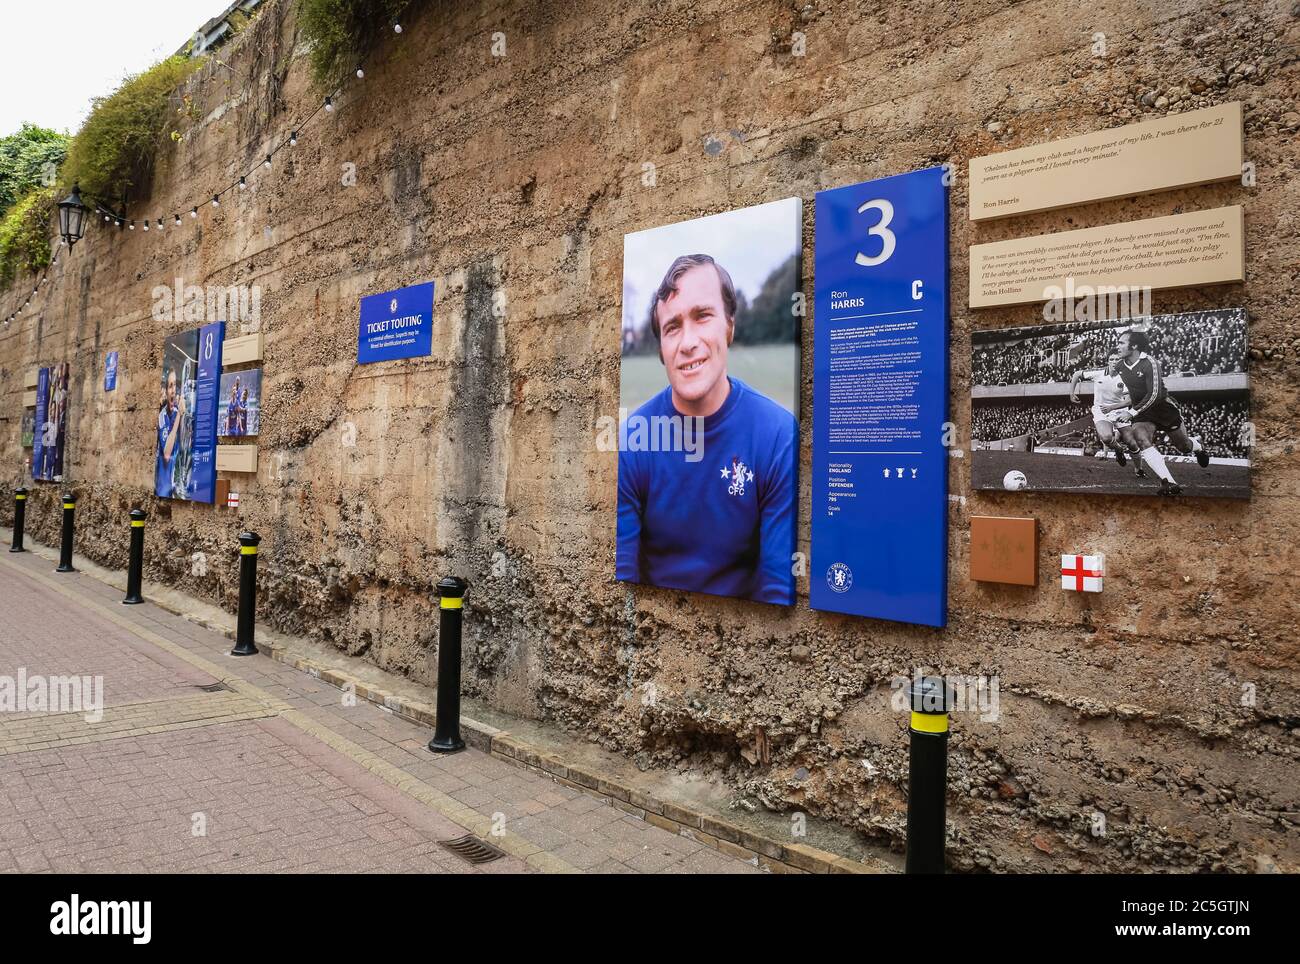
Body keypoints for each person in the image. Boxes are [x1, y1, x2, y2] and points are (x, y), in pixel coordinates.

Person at [616, 254, 797, 604]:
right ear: (662, 350)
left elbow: (778, 587)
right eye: (672, 327)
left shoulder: (778, 436)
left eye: (702, 316)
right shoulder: (633, 441)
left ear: (729, 325)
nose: (688, 342)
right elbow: (623, 576)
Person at [1114, 329, 1209, 496]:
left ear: (1134, 346)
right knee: (1141, 440)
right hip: (1143, 414)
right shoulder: (1119, 366)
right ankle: (1170, 483)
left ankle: (1198, 446)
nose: (1117, 346)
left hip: (1163, 409)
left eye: (1121, 342)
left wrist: (1132, 412)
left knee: (1184, 447)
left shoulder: (1150, 363)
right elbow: (1106, 377)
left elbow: (1155, 394)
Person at [1069, 352, 1145, 477]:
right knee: (1106, 438)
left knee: (1132, 442)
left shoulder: (1126, 378)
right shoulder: (1098, 374)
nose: (1114, 361)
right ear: (1108, 361)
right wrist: (1071, 393)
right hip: (1101, 410)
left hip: (1120, 411)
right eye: (1112, 359)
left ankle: (1139, 470)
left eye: (1117, 359)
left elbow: (1129, 400)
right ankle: (1119, 449)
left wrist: (1112, 407)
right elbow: (1077, 374)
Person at [156, 367, 186, 498]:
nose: (173, 390)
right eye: (170, 386)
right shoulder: (162, 416)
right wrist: (179, 415)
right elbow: (167, 453)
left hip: (176, 486)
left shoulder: (177, 411)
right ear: (167, 391)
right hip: (163, 488)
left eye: (176, 385)